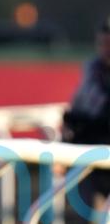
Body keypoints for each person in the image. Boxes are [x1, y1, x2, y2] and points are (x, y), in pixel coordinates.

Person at [61, 17, 110, 222]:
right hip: (89, 156)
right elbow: (76, 112)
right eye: (103, 43)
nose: (106, 49)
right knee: (87, 213)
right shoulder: (92, 71)